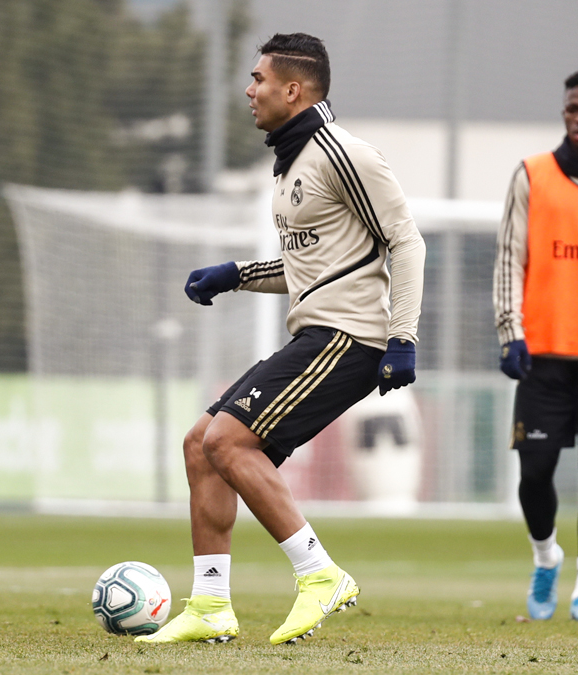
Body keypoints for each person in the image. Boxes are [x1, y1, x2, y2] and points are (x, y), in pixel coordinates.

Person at [137, 33, 425, 645]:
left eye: (259, 79)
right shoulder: (292, 162)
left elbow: (406, 241)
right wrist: (236, 275)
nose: (250, 90)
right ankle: (212, 605)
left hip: (351, 337)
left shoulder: (342, 151)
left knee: (229, 440)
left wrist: (403, 337)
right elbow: (309, 269)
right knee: (201, 444)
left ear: (292, 90)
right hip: (319, 331)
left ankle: (320, 575)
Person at [493, 70, 578, 623]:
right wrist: (510, 332)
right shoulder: (532, 175)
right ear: (564, 112)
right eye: (573, 108)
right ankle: (546, 556)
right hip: (543, 352)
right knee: (535, 471)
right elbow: (509, 257)